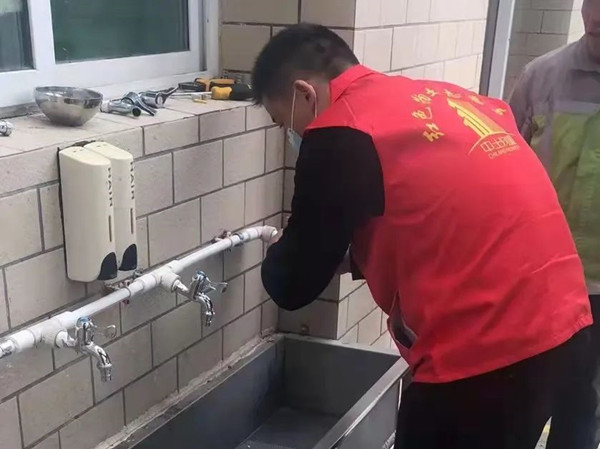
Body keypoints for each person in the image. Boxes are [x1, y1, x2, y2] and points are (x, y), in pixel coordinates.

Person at [255, 23, 592, 449]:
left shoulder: (338, 130)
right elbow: (443, 210)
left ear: (305, 94)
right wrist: (351, 256)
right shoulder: (451, 99)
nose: (292, 135)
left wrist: (277, 256)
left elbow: (293, 283)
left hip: (488, 353)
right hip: (565, 326)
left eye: (283, 122)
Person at [509, 1, 600, 447]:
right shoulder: (541, 77)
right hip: (537, 283)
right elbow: (501, 171)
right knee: (518, 402)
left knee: (581, 408)